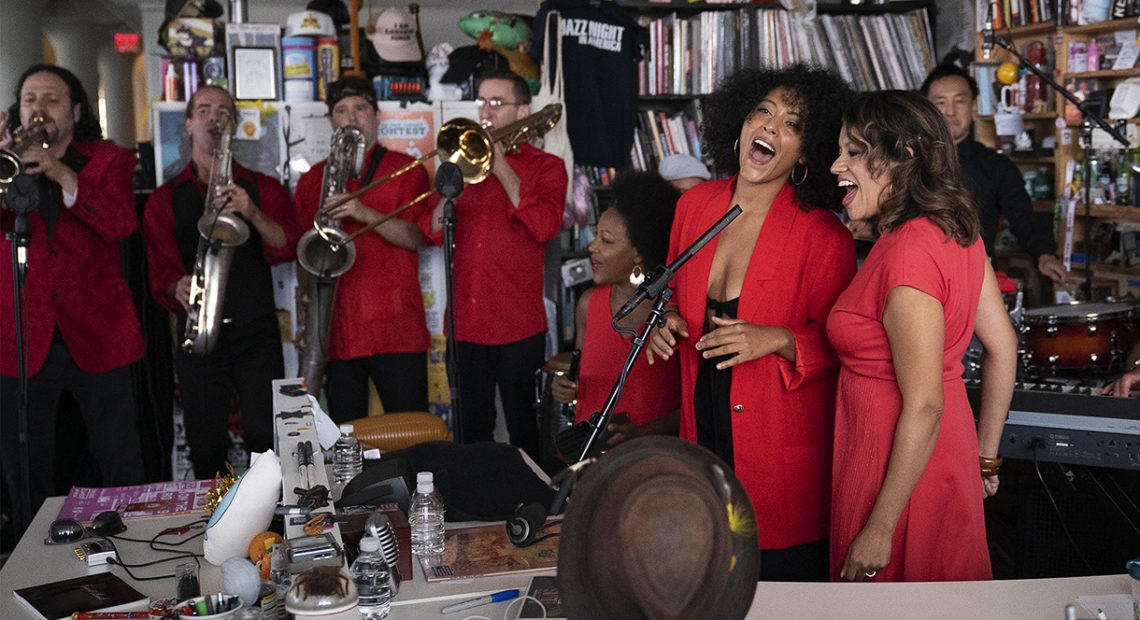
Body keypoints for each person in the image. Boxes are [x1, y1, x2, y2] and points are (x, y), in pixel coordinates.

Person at [647, 65, 857, 582]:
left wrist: (782, 338)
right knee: (714, 585)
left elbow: (848, 347)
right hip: (704, 436)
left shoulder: (824, 235)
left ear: (807, 151)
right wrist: (664, 319)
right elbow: (668, 293)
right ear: (739, 125)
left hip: (781, 455)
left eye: (792, 123)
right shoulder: (694, 207)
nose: (769, 126)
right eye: (763, 111)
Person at [826, 90, 1018, 582]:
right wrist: (986, 459)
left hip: (893, 461)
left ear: (902, 156)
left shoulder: (906, 256)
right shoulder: (958, 232)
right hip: (945, 451)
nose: (834, 165)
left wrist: (880, 526)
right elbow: (1003, 345)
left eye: (852, 151)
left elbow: (925, 402)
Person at [0, 64, 145, 530]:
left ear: (76, 110)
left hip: (99, 332)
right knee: (25, 460)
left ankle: (133, 540)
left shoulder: (109, 160)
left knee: (118, 453)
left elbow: (121, 224)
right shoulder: (7, 159)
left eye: (51, 100)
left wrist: (62, 173)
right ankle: (29, 554)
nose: (38, 109)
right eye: (29, 100)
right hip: (21, 335)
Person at [143, 85, 297, 480]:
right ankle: (214, 528)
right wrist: (176, 286)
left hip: (255, 329)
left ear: (234, 125)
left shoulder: (263, 188)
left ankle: (269, 529)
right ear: (190, 123)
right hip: (200, 331)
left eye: (223, 111)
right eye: (204, 110)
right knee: (207, 444)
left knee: (266, 436)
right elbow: (159, 274)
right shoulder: (164, 199)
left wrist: (252, 211)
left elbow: (286, 247)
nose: (214, 117)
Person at [428, 69, 567, 459]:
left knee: (524, 427)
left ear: (523, 110)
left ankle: (529, 509)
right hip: (465, 325)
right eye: (482, 102)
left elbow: (544, 226)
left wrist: (501, 164)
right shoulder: (463, 169)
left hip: (518, 325)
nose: (485, 112)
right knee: (472, 429)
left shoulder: (547, 167)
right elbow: (431, 230)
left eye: (496, 103)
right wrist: (451, 177)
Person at [294, 77, 432, 421]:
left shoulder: (407, 169)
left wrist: (362, 211)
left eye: (360, 109)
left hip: (396, 330)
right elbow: (304, 252)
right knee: (344, 440)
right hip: (337, 330)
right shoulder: (312, 179)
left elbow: (416, 237)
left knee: (411, 434)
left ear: (376, 116)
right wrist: (306, 313)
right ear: (331, 121)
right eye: (341, 110)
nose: (351, 118)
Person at [550, 170, 681, 448]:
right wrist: (568, 388)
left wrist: (641, 433)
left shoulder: (672, 312)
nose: (592, 247)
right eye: (596, 236)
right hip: (593, 459)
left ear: (639, 252)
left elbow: (693, 408)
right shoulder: (588, 304)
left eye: (606, 241)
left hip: (656, 462)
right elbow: (583, 382)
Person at [920, 63, 1067, 285]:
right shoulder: (909, 162)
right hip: (919, 276)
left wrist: (1044, 254)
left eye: (959, 101)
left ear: (974, 107)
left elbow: (1023, 218)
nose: (949, 111)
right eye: (940, 102)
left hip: (977, 280)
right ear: (926, 109)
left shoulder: (996, 166)